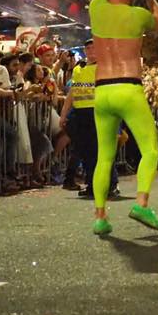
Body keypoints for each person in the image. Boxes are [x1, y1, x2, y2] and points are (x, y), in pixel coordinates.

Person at [88, 0, 158, 235]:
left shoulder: (97, 8)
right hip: (128, 88)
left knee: (104, 157)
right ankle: (142, 204)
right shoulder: (137, 15)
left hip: (102, 91)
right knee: (151, 150)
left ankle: (99, 216)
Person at [59, 40, 119, 199]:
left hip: (100, 112)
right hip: (81, 113)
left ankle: (110, 185)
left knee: (102, 151)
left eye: (94, 48)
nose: (91, 50)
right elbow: (72, 93)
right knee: (87, 152)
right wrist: (64, 114)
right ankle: (92, 185)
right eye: (88, 48)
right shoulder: (79, 69)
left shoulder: (105, 68)